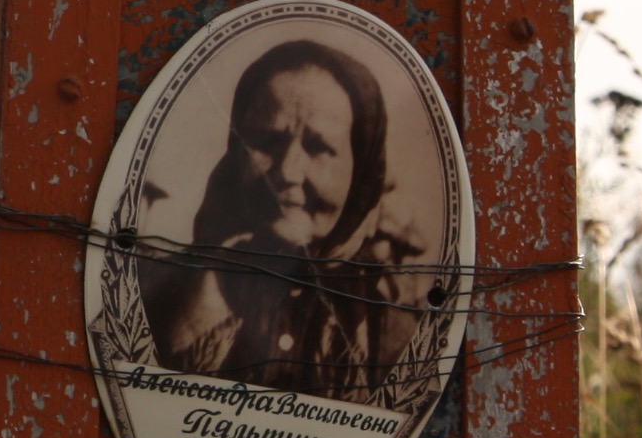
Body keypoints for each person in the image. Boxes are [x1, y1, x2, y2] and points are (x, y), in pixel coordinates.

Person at [137, 36, 436, 407]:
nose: (288, 171)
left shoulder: (399, 339)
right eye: (267, 140)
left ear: (360, 175)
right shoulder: (154, 298)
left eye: (318, 147)